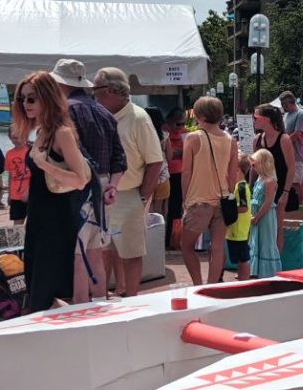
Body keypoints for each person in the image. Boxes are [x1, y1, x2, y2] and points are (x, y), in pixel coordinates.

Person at [13, 72, 91, 311]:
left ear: (47, 98)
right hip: (38, 217)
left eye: (31, 99)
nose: (25, 104)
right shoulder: (41, 131)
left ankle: (53, 338)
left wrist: (44, 164)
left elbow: (80, 180)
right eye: (22, 99)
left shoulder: (61, 132)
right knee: (36, 282)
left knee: (46, 287)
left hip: (57, 220)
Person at [51, 59, 126, 302]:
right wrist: (112, 185)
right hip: (104, 185)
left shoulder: (66, 112)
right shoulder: (105, 112)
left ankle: (81, 307)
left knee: (78, 253)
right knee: (95, 251)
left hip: (79, 187)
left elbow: (78, 156)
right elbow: (119, 157)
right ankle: (100, 302)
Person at [92, 67, 163, 297]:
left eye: (96, 90)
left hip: (129, 193)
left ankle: (132, 299)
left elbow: (155, 161)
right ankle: (102, 297)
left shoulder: (139, 118)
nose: (93, 95)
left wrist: (142, 196)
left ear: (111, 90)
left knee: (131, 253)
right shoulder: (100, 115)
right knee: (102, 250)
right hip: (103, 195)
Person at [180, 97, 238, 285]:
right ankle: (212, 286)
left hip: (198, 200)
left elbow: (186, 172)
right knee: (218, 246)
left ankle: (197, 284)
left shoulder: (193, 137)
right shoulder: (230, 140)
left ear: (200, 115)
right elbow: (232, 175)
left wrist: (185, 200)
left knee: (186, 245)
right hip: (221, 200)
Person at [253, 104, 294, 252]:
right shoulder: (257, 139)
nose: (254, 120)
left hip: (278, 187)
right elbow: (253, 167)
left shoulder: (283, 139)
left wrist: (285, 192)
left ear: (266, 119)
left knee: (277, 228)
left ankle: (275, 261)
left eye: (256, 117)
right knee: (258, 227)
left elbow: (291, 168)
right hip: (260, 188)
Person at [248, 148, 282, 278]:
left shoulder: (270, 181)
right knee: (255, 241)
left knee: (266, 241)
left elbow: (268, 203)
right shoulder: (260, 178)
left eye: (254, 164)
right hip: (257, 213)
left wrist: (257, 217)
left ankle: (268, 271)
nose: (253, 167)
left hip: (265, 216)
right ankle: (255, 269)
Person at [224, 152, 252, 281]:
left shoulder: (241, 187)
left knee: (243, 258)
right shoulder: (237, 185)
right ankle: (242, 277)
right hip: (235, 229)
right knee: (240, 258)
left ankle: (244, 279)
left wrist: (229, 210)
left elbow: (243, 207)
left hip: (239, 229)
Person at [162, 108, 187, 248]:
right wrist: (176, 152)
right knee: (162, 207)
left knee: (176, 208)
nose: (181, 127)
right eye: (178, 124)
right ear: (169, 122)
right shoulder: (163, 131)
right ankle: (163, 238)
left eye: (183, 124)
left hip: (179, 174)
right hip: (165, 174)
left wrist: (174, 152)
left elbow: (187, 152)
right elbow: (168, 154)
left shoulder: (184, 133)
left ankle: (173, 239)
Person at [280, 91, 303, 203]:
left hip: (296, 154)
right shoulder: (286, 115)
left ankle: (300, 207)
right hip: (286, 153)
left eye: (284, 104)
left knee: (296, 183)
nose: (282, 106)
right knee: (288, 182)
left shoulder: (301, 114)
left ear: (289, 102)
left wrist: (282, 143)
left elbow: (297, 134)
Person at [4, 128, 31, 225]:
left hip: (30, 192)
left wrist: (28, 191)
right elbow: (10, 174)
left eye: (19, 137)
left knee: (33, 222)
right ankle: (17, 240)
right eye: (14, 138)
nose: (17, 140)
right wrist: (9, 194)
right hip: (16, 194)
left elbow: (36, 174)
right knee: (17, 222)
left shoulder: (31, 151)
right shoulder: (9, 154)